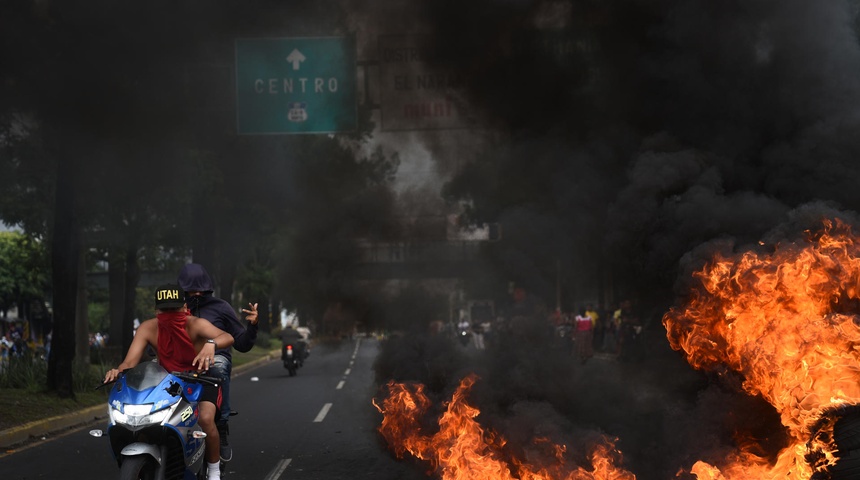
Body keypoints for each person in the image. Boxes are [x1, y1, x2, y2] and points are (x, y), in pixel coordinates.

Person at [104, 284, 234, 480]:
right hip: (168, 382)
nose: (170, 314)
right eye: (165, 310)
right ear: (156, 311)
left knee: (206, 419)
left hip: (201, 378)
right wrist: (118, 371)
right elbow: (130, 362)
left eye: (174, 309)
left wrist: (211, 344)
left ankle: (214, 471)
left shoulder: (195, 324)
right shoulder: (147, 328)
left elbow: (227, 336)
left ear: (184, 308)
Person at [177, 263, 259, 463]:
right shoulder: (177, 309)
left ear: (206, 287)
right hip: (184, 361)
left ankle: (221, 425)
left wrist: (253, 325)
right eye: (190, 289)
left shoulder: (220, 307)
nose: (195, 293)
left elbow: (242, 343)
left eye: (199, 289)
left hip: (215, 360)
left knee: (218, 365)